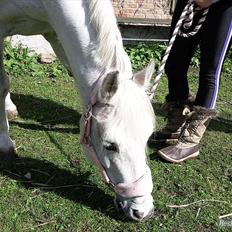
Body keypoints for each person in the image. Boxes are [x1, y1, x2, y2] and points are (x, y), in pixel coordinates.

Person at [150, 0, 232, 163]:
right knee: (174, 63)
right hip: (190, 2)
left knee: (210, 71)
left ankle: (191, 139)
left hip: (224, 7)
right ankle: (176, 123)